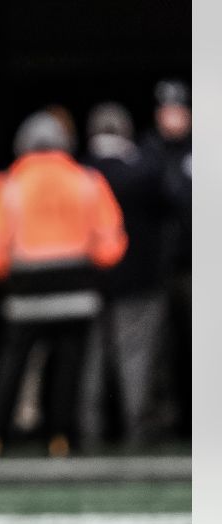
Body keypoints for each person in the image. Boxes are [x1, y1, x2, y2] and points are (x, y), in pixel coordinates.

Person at [0, 110, 126, 458]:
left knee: (13, 362)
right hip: (77, 289)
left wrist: (3, 274)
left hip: (25, 291)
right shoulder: (88, 180)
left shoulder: (8, 183)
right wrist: (92, 266)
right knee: (69, 364)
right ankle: (61, 438)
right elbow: (111, 242)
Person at [79, 102, 171, 448]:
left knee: (92, 360)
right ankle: (136, 429)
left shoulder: (82, 170)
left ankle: (89, 430)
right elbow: (170, 204)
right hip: (139, 280)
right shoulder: (144, 170)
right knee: (136, 358)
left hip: (89, 280)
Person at [140, 80, 191, 441]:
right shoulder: (148, 151)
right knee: (159, 352)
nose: (172, 117)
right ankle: (165, 421)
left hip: (195, 267)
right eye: (166, 110)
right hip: (158, 268)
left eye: (179, 109)